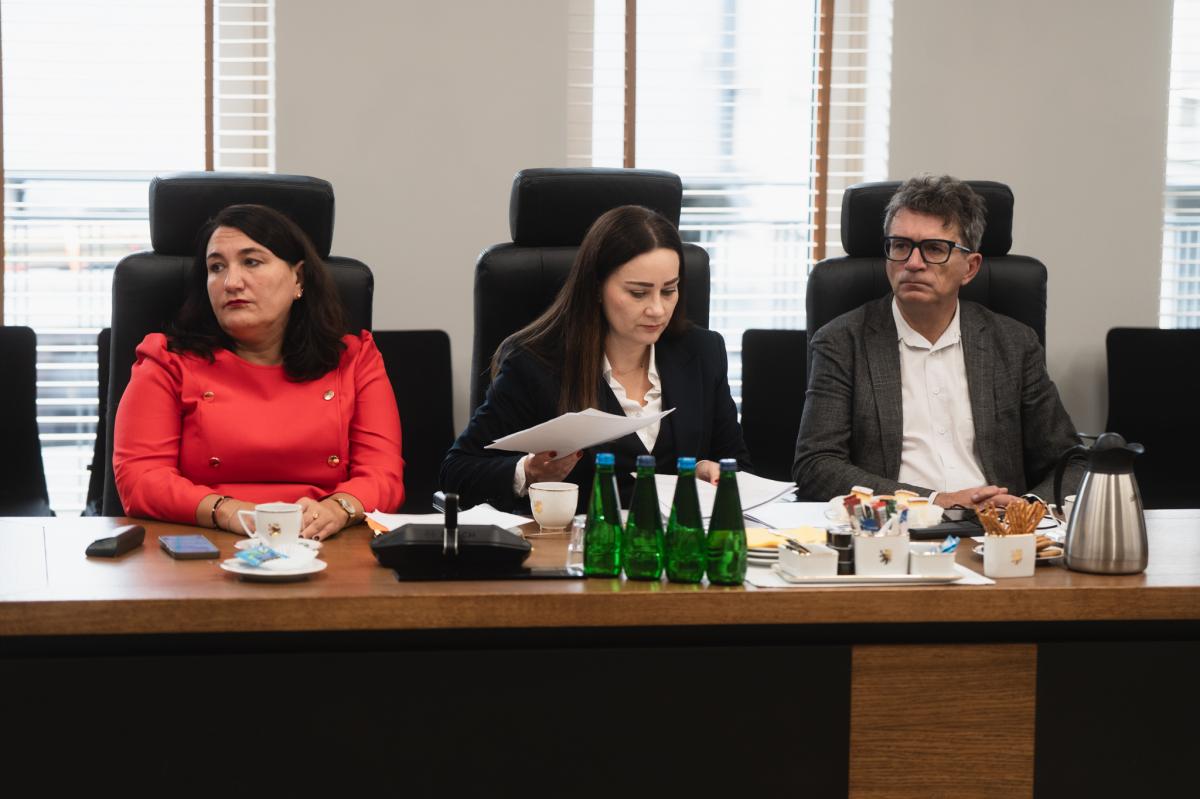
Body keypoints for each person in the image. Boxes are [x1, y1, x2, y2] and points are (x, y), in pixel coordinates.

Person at [113, 204, 404, 539]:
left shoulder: (354, 359)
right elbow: (141, 479)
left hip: (325, 540)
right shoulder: (167, 361)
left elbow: (383, 475)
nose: (231, 282)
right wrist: (227, 512)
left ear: (298, 278)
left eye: (251, 262)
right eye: (216, 267)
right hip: (205, 538)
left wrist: (338, 509)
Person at [792, 174, 1081, 508]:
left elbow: (1070, 462)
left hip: (997, 529)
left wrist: (1025, 510)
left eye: (934, 249)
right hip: (897, 528)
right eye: (900, 246)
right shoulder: (842, 342)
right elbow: (816, 466)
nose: (913, 263)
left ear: (970, 268)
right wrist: (935, 502)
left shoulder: (1014, 344)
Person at [440, 204, 750, 512]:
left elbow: (737, 464)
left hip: (678, 539)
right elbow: (457, 471)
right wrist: (528, 472)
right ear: (597, 287)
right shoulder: (535, 364)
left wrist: (709, 471)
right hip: (577, 540)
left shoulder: (702, 352)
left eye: (668, 290)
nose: (657, 309)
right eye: (638, 293)